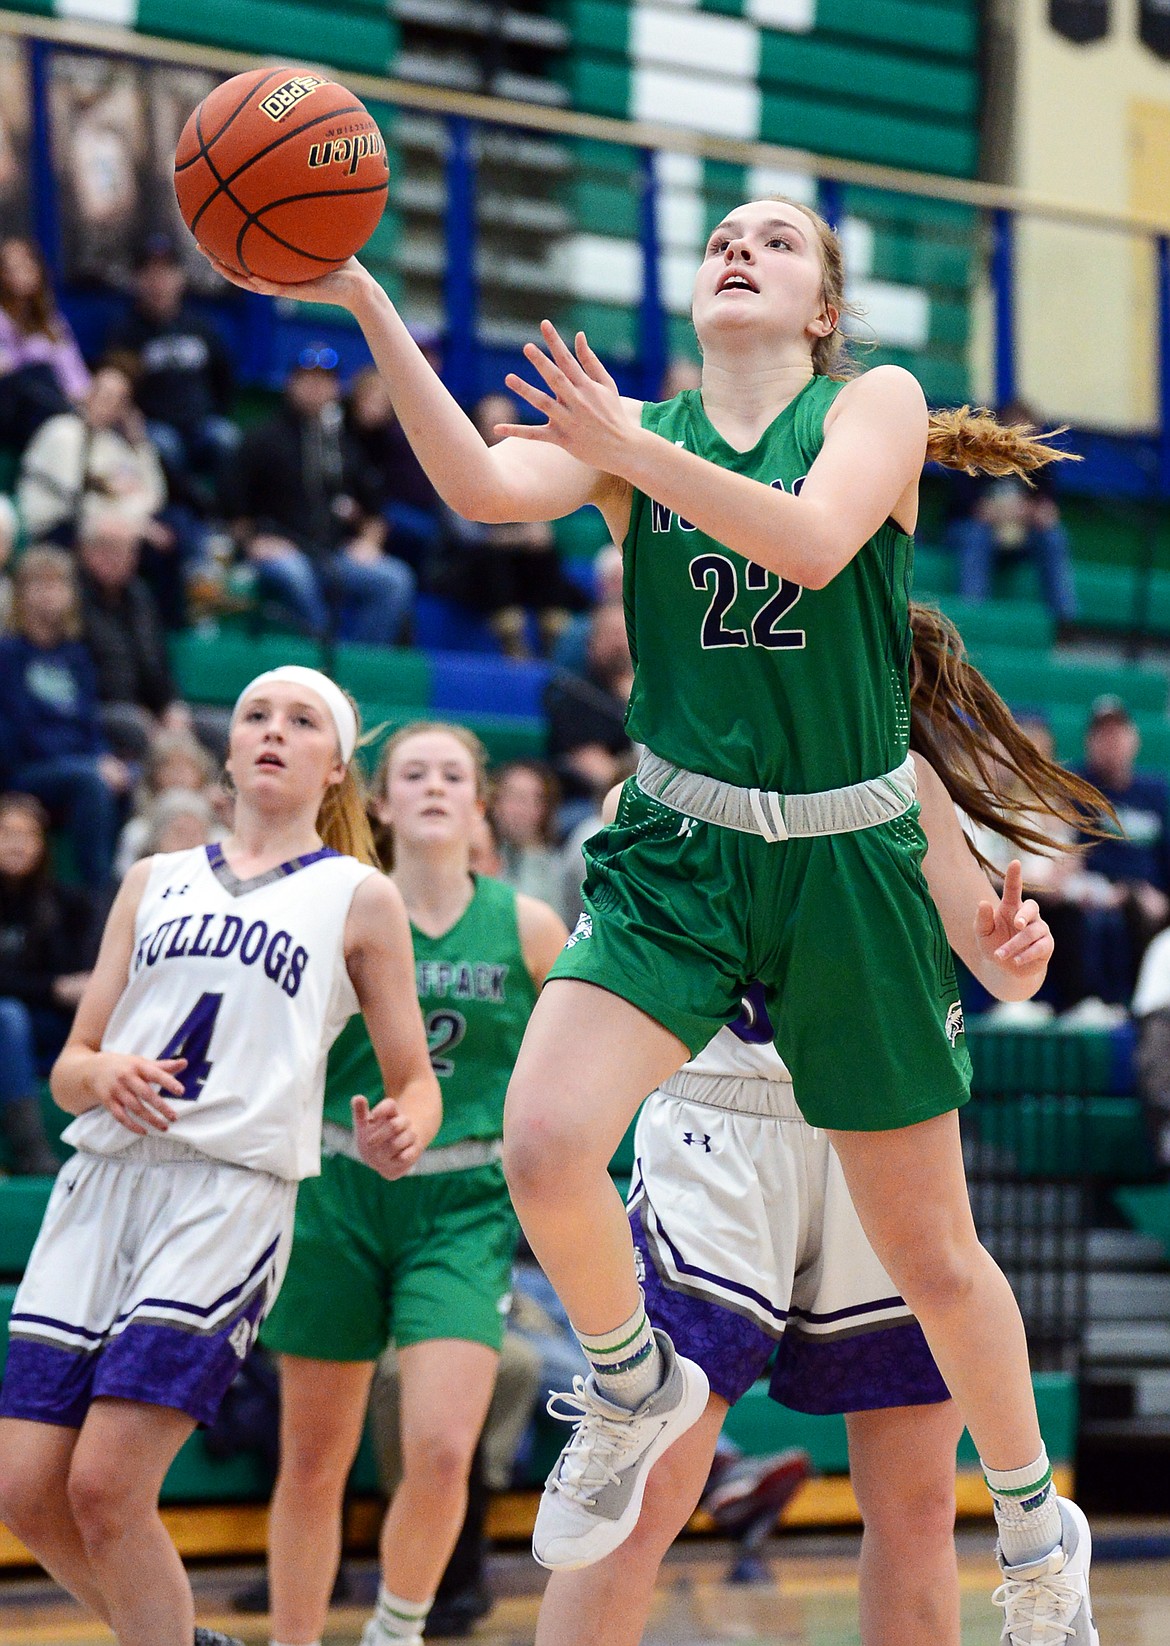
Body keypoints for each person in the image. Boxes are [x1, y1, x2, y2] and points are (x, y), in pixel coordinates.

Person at [203, 196, 1109, 1644]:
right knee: (549, 1139)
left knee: (934, 1252)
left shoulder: (863, 404)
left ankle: (1028, 1517)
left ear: (821, 304)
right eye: (720, 238)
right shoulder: (634, 426)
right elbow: (484, 488)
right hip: (684, 843)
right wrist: (367, 292)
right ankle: (628, 1381)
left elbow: (814, 543)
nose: (738, 248)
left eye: (778, 240)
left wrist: (627, 453)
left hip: (844, 859)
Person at [535, 619, 1091, 1646]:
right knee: (651, 1485)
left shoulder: (902, 782)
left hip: (877, 1135)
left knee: (916, 1503)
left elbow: (1005, 964)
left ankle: (1037, 1540)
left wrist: (1019, 944)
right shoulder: (652, 790)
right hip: (718, 1127)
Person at [0, 666, 440, 1646]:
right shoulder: (152, 879)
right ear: (229, 751)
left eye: (301, 721)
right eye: (255, 716)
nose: (274, 731)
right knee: (27, 1490)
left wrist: (402, 1125)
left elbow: (416, 1079)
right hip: (98, 1183)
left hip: (228, 1193)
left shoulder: (359, 895)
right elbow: (69, 1064)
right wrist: (103, 1070)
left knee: (108, 1485)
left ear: (335, 766)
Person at [260, 721, 567, 1646]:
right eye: (412, 773)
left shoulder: (530, 926)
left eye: (454, 774)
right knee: (313, 1461)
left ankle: (396, 1631)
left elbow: (574, 1068)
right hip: (339, 1192)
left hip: (462, 1207)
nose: (434, 786)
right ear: (381, 801)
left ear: (480, 803)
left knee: (441, 1449)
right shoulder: (336, 908)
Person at [223, 350, 415, 646]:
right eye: (309, 380)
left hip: (332, 552)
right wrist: (252, 542)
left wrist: (369, 541)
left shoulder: (342, 442)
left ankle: (357, 663)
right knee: (295, 574)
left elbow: (374, 507)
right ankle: (324, 652)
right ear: (292, 383)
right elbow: (232, 506)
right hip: (283, 549)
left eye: (325, 381)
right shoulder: (262, 438)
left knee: (395, 579)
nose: (317, 388)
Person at [0, 546, 131, 889]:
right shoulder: (8, 654)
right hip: (24, 770)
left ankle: (126, 879)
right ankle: (98, 891)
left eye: (57, 585)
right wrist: (89, 761)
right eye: (39, 585)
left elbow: (89, 723)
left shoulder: (76, 655)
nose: (49, 595)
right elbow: (21, 730)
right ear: (21, 594)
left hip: (74, 765)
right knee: (91, 782)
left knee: (125, 778)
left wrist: (103, 756)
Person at [437, 394, 588, 658]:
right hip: (466, 568)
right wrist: (518, 537)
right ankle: (512, 644)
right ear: (477, 427)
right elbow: (467, 535)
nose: (502, 429)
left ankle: (554, 637)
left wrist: (537, 532)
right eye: (494, 422)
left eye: (507, 421)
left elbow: (541, 528)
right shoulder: (457, 466)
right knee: (493, 557)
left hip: (517, 571)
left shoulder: (525, 466)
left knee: (545, 555)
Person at [0, 791, 98, 1175]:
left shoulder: (66, 903)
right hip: (10, 1024)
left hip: (49, 1024)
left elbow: (80, 976)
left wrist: (61, 988)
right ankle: (29, 1150)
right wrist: (52, 987)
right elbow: (58, 984)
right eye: (7, 833)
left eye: (28, 834)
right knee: (8, 1018)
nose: (18, 843)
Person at [103, 234, 238, 489]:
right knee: (164, 445)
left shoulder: (201, 326)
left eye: (166, 273)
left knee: (226, 437)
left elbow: (223, 376)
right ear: (137, 280)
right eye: (150, 274)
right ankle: (184, 512)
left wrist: (214, 410)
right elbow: (116, 387)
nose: (158, 282)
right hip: (156, 426)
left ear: (180, 278)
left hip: (200, 424)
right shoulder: (126, 332)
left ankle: (226, 517)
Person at [942, 398, 1078, 624]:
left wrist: (1013, 512)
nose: (1022, 442)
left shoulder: (1041, 461)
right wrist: (1023, 511)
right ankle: (971, 618)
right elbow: (976, 511)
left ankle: (1065, 621)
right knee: (976, 534)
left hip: (1020, 537)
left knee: (1053, 537)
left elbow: (1048, 513)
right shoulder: (973, 456)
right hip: (972, 534)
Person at [76, 511, 194, 761]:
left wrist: (171, 706)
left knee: (221, 729)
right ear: (85, 551)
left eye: (127, 549)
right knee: (134, 727)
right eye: (108, 548)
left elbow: (159, 664)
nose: (119, 557)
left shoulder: (141, 597)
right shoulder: (72, 602)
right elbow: (81, 674)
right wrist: (139, 713)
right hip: (99, 712)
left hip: (149, 710)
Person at [0, 235, 90, 451]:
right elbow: (8, 373)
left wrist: (87, 398)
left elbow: (77, 378)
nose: (21, 270)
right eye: (10, 266)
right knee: (39, 372)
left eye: (27, 261)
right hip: (14, 414)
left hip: (55, 411)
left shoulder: (52, 322)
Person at [489, 760, 564, 910]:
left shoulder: (557, 866)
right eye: (515, 797)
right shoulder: (478, 853)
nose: (522, 810)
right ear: (495, 802)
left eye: (536, 800)